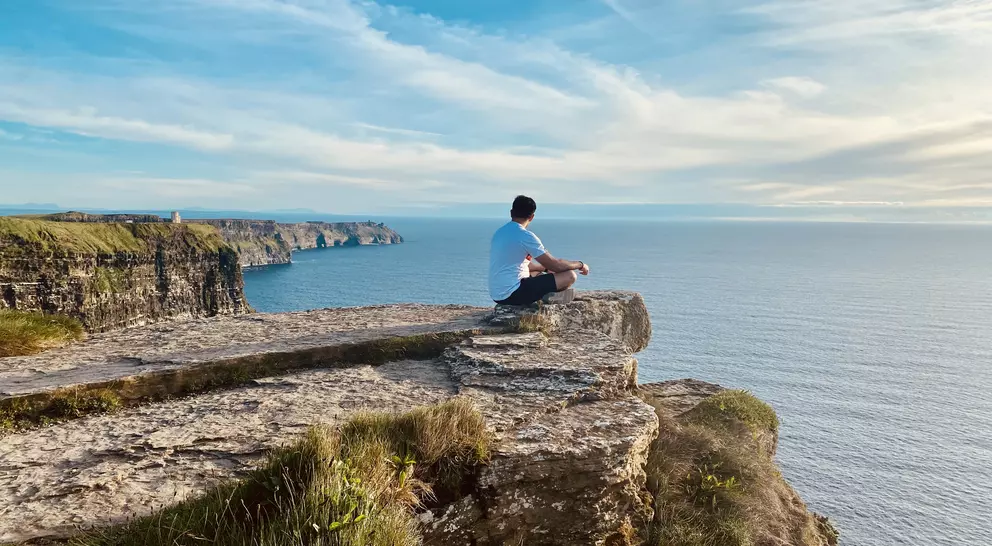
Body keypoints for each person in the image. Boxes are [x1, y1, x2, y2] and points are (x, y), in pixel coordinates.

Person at [489, 195, 590, 306]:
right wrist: (580, 264)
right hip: (513, 294)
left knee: (537, 273)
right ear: (532, 217)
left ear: (511, 212)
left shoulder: (499, 233)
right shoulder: (525, 236)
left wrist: (546, 269)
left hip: (497, 294)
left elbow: (519, 264)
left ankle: (543, 293)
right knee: (569, 276)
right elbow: (555, 265)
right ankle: (550, 297)